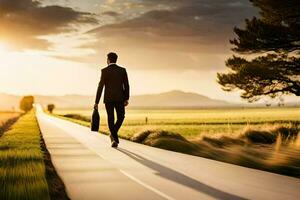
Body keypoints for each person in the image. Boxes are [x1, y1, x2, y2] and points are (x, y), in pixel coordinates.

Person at [94, 52, 130, 148]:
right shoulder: (122, 70)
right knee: (121, 117)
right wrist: (126, 98)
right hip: (120, 98)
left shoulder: (104, 71)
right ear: (116, 60)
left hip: (108, 99)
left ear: (108, 60)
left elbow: (100, 87)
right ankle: (114, 138)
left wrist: (96, 102)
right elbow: (126, 85)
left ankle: (113, 135)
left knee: (111, 118)